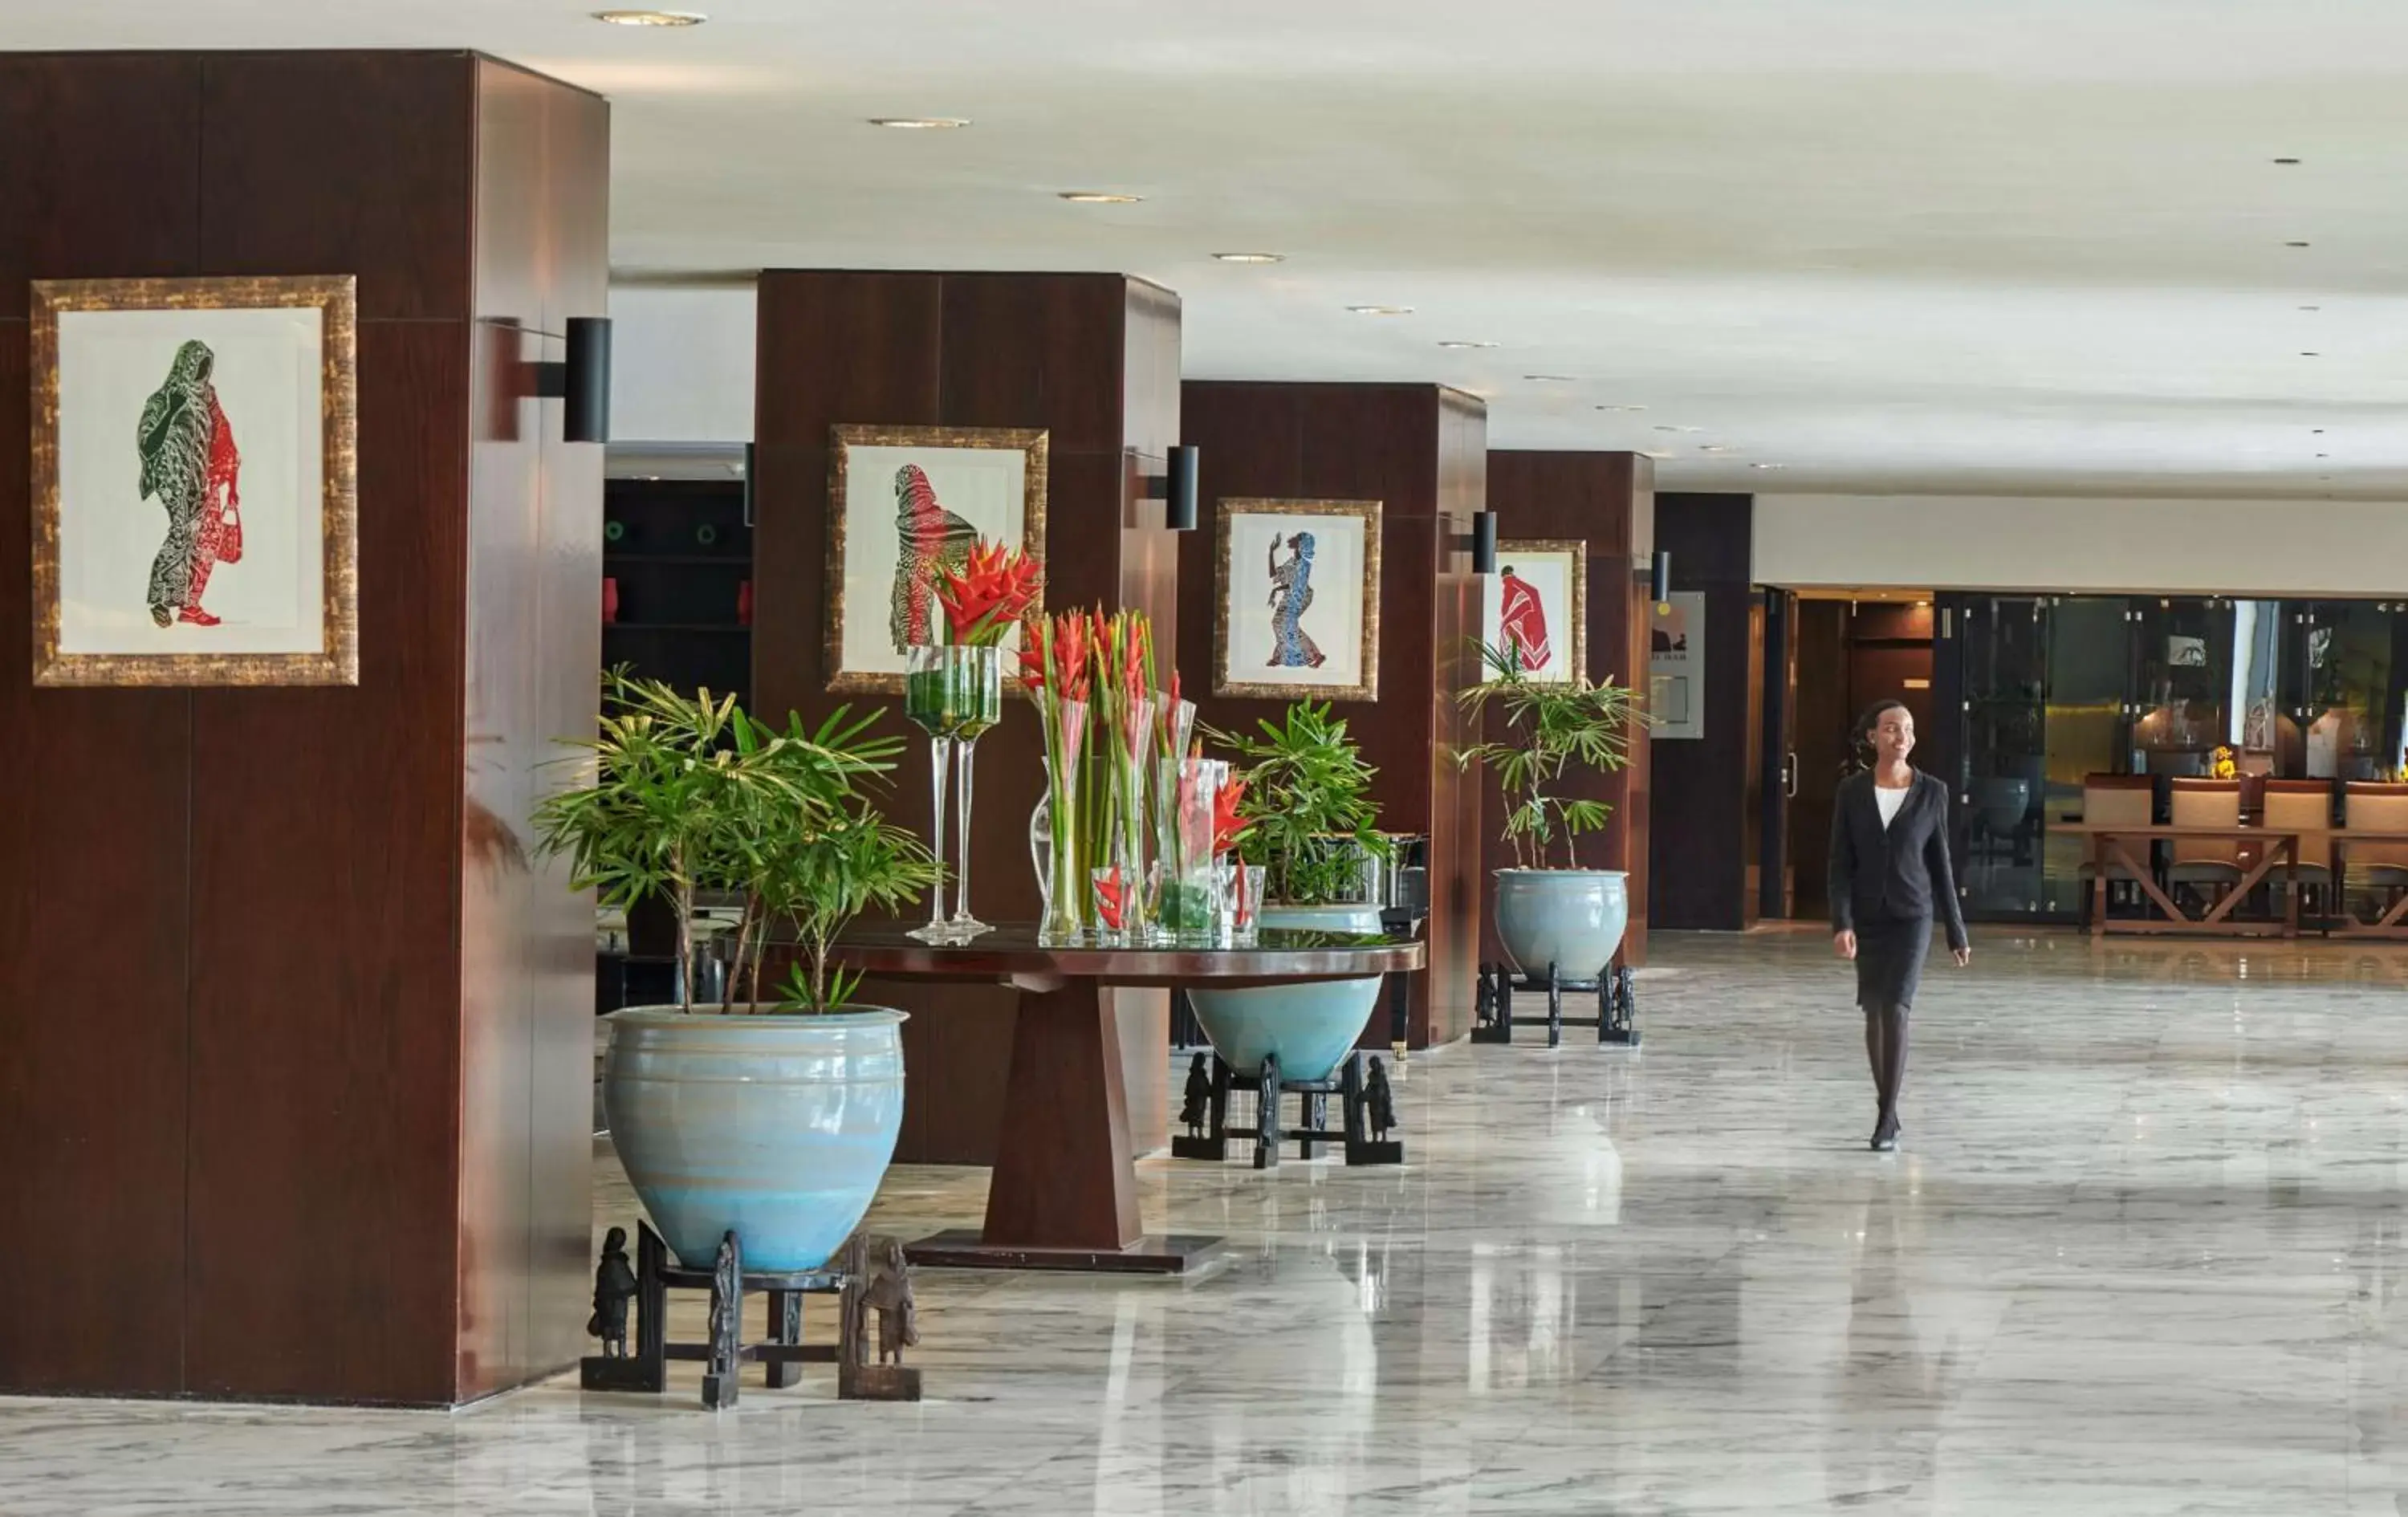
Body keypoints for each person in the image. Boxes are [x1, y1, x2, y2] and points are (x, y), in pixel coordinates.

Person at [1830, 699, 1969, 1152]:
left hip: (1913, 915)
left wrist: (1955, 930)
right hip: (1868, 918)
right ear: (1873, 736)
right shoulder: (1851, 792)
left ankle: (1886, 1117)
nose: (1901, 736)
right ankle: (1886, 1104)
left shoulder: (1933, 792)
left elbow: (1941, 862)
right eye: (1891, 728)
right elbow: (1840, 864)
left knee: (1896, 1008)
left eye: (1907, 728)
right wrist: (1842, 922)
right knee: (1873, 1009)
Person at [1496, 564, 1552, 672]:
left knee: (1520, 634)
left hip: (1528, 624)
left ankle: (1526, 662)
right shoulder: (1514, 590)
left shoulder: (1516, 590)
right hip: (1521, 626)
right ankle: (1524, 662)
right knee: (1517, 636)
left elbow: (1531, 594)